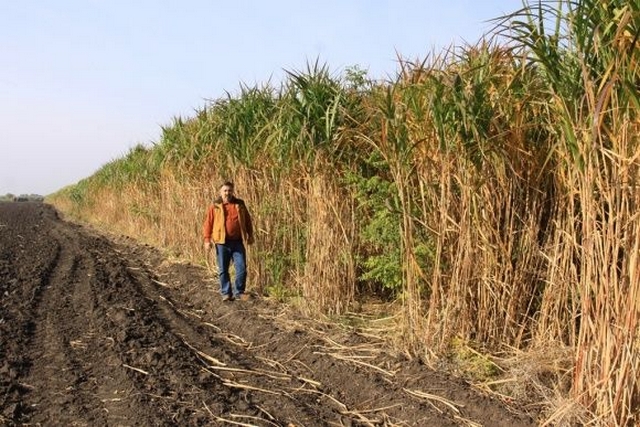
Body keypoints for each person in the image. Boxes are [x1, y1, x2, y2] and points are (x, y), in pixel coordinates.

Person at [202, 181, 254, 301]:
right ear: (220, 192)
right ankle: (226, 292)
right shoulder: (215, 206)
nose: (227, 193)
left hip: (237, 242)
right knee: (223, 269)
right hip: (222, 243)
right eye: (225, 191)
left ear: (233, 191)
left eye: (229, 190)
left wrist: (250, 235)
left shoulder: (239, 204)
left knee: (241, 268)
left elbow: (248, 220)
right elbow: (208, 223)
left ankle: (239, 292)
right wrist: (207, 239)